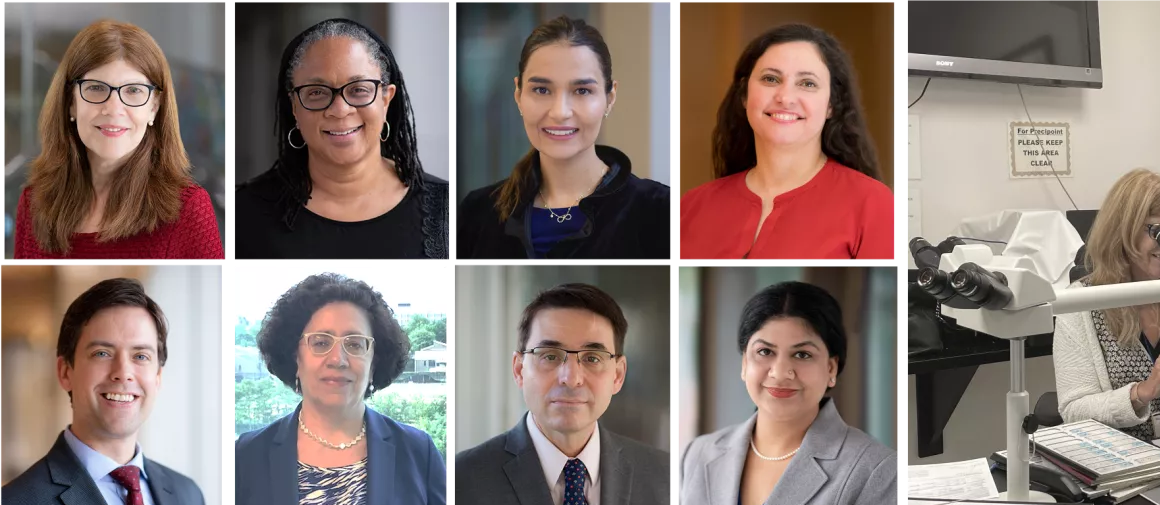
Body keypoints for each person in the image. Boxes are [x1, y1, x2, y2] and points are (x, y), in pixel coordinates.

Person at [233, 273, 446, 505]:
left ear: (374, 362)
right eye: (321, 342)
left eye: (355, 345)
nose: (338, 359)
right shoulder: (245, 456)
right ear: (295, 358)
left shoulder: (419, 453)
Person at [679, 281, 895, 505]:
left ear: (831, 368)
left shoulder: (876, 471)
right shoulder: (696, 454)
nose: (780, 373)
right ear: (744, 364)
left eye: (802, 355)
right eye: (765, 352)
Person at [454, 15, 671, 261]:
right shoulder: (478, 211)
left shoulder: (659, 211)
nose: (560, 112)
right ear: (518, 94)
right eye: (542, 90)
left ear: (610, 98)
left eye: (582, 91)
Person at [454, 283, 670, 505]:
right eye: (550, 356)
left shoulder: (666, 477)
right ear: (519, 370)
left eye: (592, 358)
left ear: (618, 375)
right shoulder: (461, 481)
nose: (571, 378)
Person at [231, 19, 449, 260]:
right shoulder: (244, 213)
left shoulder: (448, 211)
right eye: (316, 92)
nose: (340, 109)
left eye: (358, 89)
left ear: (386, 99)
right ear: (294, 106)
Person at [0, 278, 207, 505]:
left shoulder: (189, 496)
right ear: (66, 372)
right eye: (102, 353)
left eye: (140, 356)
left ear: (157, 378)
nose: (123, 372)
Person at [678, 23, 893, 260]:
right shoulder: (692, 205)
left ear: (831, 105)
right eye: (770, 79)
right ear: (744, 95)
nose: (785, 97)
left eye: (807, 83)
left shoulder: (874, 205)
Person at [13, 20, 223, 260]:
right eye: (96, 88)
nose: (114, 109)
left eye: (133, 91)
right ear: (70, 102)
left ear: (154, 107)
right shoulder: (33, 202)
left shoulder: (189, 209)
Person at [1053, 169, 1160, 440]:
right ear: (1122, 231)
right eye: (1158, 232)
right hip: (1117, 460)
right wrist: (1142, 392)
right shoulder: (1082, 304)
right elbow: (1073, 410)